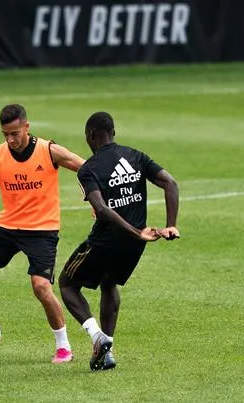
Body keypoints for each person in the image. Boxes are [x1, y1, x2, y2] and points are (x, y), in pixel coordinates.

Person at [0, 104, 85, 364]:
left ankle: (64, 347)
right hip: (8, 227)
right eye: (5, 134)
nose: (10, 140)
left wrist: (93, 199)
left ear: (26, 127)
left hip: (42, 230)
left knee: (41, 286)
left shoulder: (49, 151)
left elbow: (86, 168)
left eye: (15, 133)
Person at [58, 111, 179, 371]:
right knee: (109, 282)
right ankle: (108, 352)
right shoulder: (136, 156)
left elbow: (101, 210)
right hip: (135, 244)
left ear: (90, 135)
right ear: (113, 133)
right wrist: (170, 225)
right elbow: (170, 183)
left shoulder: (89, 168)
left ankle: (98, 337)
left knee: (67, 284)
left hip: (107, 240)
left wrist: (135, 232)